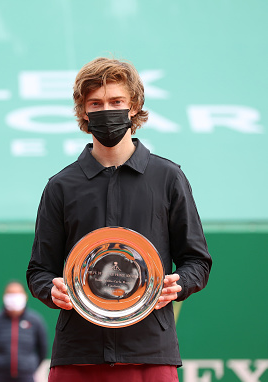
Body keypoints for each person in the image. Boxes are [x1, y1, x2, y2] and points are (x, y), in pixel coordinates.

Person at [26, 57, 212, 381]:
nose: (106, 110)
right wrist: (50, 290)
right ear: (83, 111)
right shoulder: (61, 186)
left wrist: (176, 285)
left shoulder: (168, 178)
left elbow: (197, 261)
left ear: (134, 105)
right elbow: (39, 271)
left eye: (116, 101)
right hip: (77, 356)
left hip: (150, 354)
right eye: (95, 103)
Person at [0, 281, 49, 382]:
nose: (14, 298)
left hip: (26, 375)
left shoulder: (35, 321)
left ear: (25, 296)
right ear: (4, 297)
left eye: (17, 294)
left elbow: (42, 348)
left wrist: (30, 366)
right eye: (10, 294)